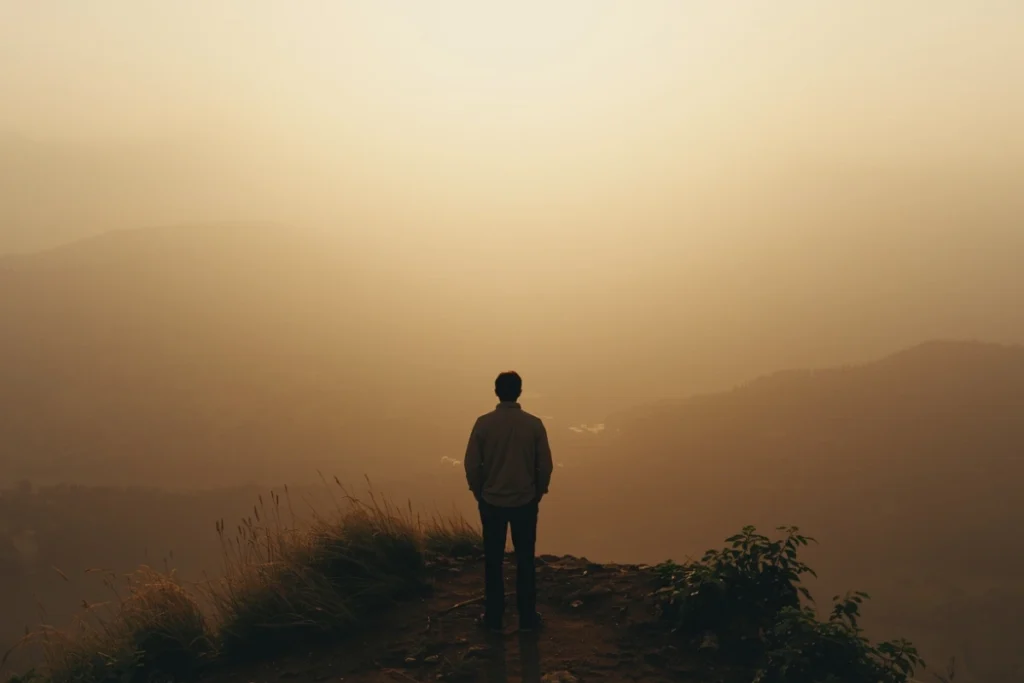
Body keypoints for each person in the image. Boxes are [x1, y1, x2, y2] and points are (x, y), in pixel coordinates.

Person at [464, 371, 554, 633]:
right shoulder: (534, 425)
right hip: (525, 501)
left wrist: (479, 492)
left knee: (493, 560)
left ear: (496, 391)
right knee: (525, 559)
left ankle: (493, 618)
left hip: (492, 501)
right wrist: (538, 492)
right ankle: (527, 617)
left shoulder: (483, 424)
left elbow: (471, 465)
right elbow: (545, 466)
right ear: (520, 391)